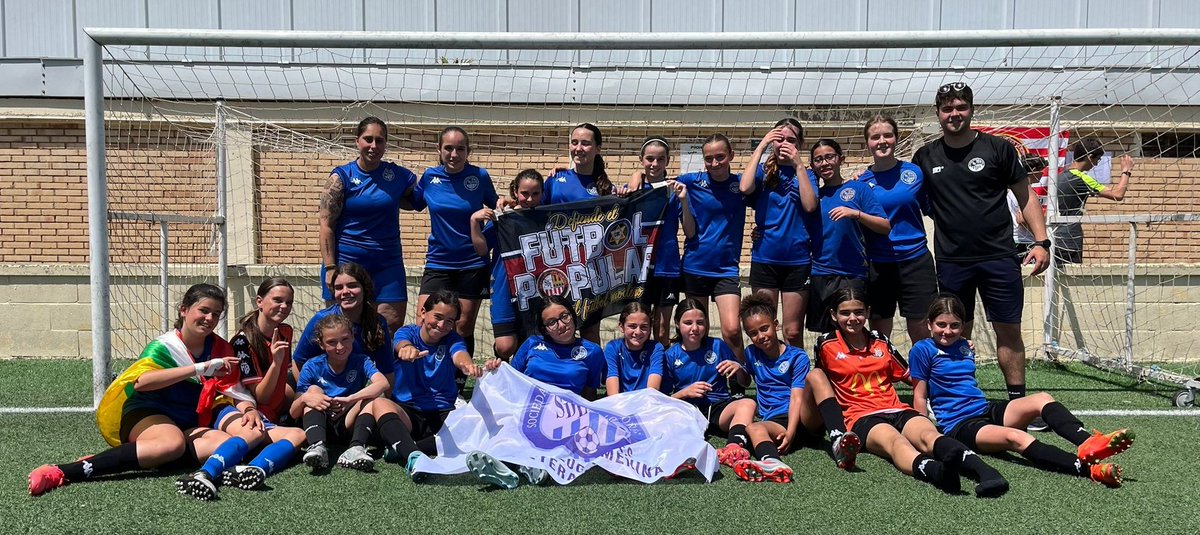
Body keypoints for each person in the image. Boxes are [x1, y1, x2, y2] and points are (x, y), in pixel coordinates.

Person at [28, 284, 261, 499]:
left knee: (222, 442)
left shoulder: (221, 347)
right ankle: (68, 470)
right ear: (183, 310)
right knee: (172, 443)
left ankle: (142, 455)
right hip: (148, 410)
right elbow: (142, 383)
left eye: (216, 314)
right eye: (203, 310)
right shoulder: (164, 345)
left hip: (187, 417)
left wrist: (249, 408)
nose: (209, 318)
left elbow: (231, 387)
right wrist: (199, 368)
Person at [911, 82, 1051, 429]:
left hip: (999, 258)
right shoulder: (925, 157)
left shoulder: (998, 149)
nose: (954, 114)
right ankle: (954, 402)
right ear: (938, 114)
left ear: (971, 109)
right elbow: (902, 195)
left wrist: (1041, 241)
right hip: (951, 262)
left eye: (960, 107)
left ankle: (1018, 405)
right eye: (947, 109)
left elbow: (1025, 196)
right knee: (952, 334)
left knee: (1009, 330)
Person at [909, 294, 1132, 487]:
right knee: (1017, 437)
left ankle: (1087, 442)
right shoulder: (922, 350)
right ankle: (1089, 470)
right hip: (961, 425)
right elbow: (920, 395)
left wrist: (964, 343)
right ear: (929, 324)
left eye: (955, 325)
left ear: (962, 326)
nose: (947, 331)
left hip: (985, 408)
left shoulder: (964, 346)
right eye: (941, 324)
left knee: (1042, 399)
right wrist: (925, 435)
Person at [813, 288, 1010, 497]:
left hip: (896, 408)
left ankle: (986, 472)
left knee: (928, 435)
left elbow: (910, 375)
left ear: (868, 312)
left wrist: (953, 363)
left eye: (859, 311)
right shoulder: (826, 344)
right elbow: (820, 384)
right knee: (896, 442)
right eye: (845, 313)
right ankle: (937, 472)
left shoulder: (880, 340)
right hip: (861, 417)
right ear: (834, 315)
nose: (853, 318)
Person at [468, 295, 604, 489]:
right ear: (544, 328)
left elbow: (589, 395)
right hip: (528, 408)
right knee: (508, 423)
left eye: (564, 316)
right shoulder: (532, 344)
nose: (561, 324)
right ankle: (517, 468)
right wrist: (496, 368)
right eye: (552, 322)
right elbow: (511, 378)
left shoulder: (592, 351)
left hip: (565, 415)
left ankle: (518, 465)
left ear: (573, 315)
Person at [318, 116, 419, 332]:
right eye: (368, 139)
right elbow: (326, 225)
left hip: (387, 266)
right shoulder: (341, 178)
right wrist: (330, 268)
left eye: (380, 140)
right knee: (342, 330)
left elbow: (421, 199)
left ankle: (381, 367)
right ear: (357, 142)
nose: (374, 146)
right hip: (347, 264)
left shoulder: (397, 175)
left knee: (389, 326)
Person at [412, 126, 499, 360]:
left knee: (461, 326)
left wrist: (484, 239)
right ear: (439, 150)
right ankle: (425, 380)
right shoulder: (430, 177)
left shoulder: (479, 176)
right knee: (424, 320)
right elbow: (411, 201)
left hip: (472, 264)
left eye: (460, 149)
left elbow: (498, 211)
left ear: (468, 151)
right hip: (438, 263)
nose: (454, 154)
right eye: (448, 148)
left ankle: (457, 387)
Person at [216, 278, 309, 492]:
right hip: (256, 410)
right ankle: (248, 467)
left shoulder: (285, 330)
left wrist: (303, 392)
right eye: (277, 300)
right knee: (297, 436)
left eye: (289, 302)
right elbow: (261, 397)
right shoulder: (241, 341)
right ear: (259, 301)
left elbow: (286, 377)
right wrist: (276, 363)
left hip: (277, 405)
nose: (284, 307)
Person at [378, 290, 483, 478]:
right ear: (423, 313)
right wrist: (406, 350)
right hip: (408, 412)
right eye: (438, 317)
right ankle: (414, 456)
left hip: (442, 413)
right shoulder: (407, 332)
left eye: (450, 321)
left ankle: (406, 447)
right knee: (379, 404)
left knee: (474, 424)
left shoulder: (453, 340)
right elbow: (401, 344)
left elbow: (460, 355)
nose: (442, 325)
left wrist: (467, 366)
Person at [739, 119, 818, 349]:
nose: (785, 144)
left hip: (798, 260)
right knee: (765, 328)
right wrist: (762, 145)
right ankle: (770, 380)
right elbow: (744, 187)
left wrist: (798, 166)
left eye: (791, 141)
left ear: (799, 144)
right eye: (779, 139)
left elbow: (810, 205)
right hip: (766, 259)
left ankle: (798, 380)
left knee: (792, 331)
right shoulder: (764, 171)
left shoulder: (807, 173)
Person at [859, 115, 938, 345]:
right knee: (879, 335)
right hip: (878, 264)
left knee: (921, 330)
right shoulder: (860, 182)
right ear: (868, 143)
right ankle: (882, 380)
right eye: (875, 137)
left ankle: (923, 380)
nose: (882, 141)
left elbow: (933, 209)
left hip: (916, 260)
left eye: (887, 135)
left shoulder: (914, 173)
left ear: (896, 139)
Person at [729, 293, 818, 483]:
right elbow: (745, 382)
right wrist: (739, 370)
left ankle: (773, 458)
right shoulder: (751, 353)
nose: (760, 336)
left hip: (796, 416)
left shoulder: (797, 356)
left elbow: (796, 397)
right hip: (774, 419)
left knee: (755, 428)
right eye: (753, 333)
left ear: (775, 325)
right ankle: (773, 463)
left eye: (764, 328)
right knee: (753, 428)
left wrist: (791, 432)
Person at [807, 139, 890, 334]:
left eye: (829, 157)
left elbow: (885, 226)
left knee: (853, 332)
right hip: (820, 273)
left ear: (840, 159)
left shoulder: (858, 189)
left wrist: (856, 214)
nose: (824, 163)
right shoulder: (812, 197)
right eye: (818, 160)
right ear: (813, 165)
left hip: (852, 273)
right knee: (827, 335)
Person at [677, 134, 747, 363]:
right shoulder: (691, 181)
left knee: (732, 330)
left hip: (726, 269)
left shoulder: (742, 186)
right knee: (697, 332)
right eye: (709, 158)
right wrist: (636, 175)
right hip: (695, 266)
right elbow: (658, 182)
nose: (715, 163)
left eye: (720, 157)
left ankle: (738, 379)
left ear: (731, 156)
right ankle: (704, 379)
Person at [663, 298, 756, 468]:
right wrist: (685, 393)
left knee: (748, 404)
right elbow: (665, 399)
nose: (694, 328)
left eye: (700, 322)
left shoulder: (718, 346)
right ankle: (685, 456)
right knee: (670, 420)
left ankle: (733, 447)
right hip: (689, 410)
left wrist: (739, 369)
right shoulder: (670, 355)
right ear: (677, 324)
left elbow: (746, 382)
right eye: (688, 323)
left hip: (718, 407)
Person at [291, 314, 391, 472]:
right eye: (331, 342)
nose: (340, 347)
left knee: (370, 400)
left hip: (348, 422)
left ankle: (356, 448)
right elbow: (294, 412)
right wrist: (306, 398)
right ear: (321, 344)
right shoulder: (312, 366)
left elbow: (383, 383)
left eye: (344, 339)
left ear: (352, 337)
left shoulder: (361, 360)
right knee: (313, 391)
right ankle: (317, 447)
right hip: (320, 422)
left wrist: (350, 399)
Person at [471, 169, 545, 358]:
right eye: (524, 193)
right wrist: (474, 222)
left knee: (534, 343)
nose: (529, 199)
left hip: (538, 288)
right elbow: (481, 250)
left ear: (543, 194)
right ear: (515, 192)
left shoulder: (549, 217)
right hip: (505, 286)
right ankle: (500, 367)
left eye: (535, 194)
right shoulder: (503, 218)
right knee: (505, 347)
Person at [627, 136, 692, 346]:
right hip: (638, 268)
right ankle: (643, 374)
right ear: (641, 159)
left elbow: (690, 232)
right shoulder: (633, 191)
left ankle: (662, 376)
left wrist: (684, 201)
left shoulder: (675, 190)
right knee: (639, 325)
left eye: (660, 159)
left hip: (667, 267)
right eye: (650, 159)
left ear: (667, 161)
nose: (654, 164)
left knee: (662, 329)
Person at [292, 262, 394, 384]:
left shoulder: (377, 323)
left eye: (352, 286)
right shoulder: (321, 319)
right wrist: (308, 392)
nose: (345, 291)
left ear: (364, 288)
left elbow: (387, 370)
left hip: (357, 395)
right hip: (323, 393)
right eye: (339, 288)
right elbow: (298, 362)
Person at [1053, 137, 1135, 264]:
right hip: (1069, 240)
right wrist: (1126, 171)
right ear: (1090, 156)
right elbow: (1118, 194)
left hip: (1054, 237)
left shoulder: (1060, 176)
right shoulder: (1081, 178)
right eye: (1097, 159)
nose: (1096, 164)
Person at [604, 302, 667, 395]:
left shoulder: (655, 348)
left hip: (646, 402)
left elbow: (653, 390)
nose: (638, 332)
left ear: (650, 328)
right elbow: (612, 393)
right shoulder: (613, 348)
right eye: (632, 326)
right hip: (619, 403)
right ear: (621, 326)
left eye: (644, 327)